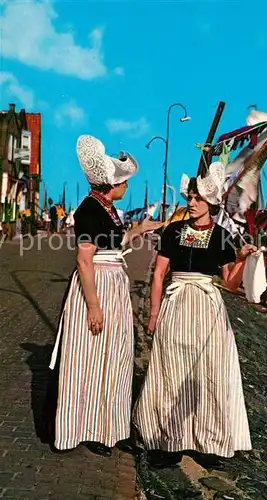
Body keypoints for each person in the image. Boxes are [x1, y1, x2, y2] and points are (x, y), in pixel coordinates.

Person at [133, 162, 256, 469]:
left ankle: (209, 442)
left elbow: (229, 283)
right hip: (176, 305)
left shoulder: (223, 236)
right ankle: (168, 442)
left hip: (207, 309)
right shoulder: (174, 231)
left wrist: (241, 260)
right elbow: (160, 274)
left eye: (197, 198)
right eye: (189, 196)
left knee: (209, 374)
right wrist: (152, 313)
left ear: (211, 203)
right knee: (170, 370)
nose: (190, 202)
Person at [47, 135, 162, 456]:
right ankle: (87, 428)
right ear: (114, 184)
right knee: (90, 358)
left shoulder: (107, 209)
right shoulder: (89, 210)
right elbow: (85, 259)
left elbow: (114, 243)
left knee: (116, 356)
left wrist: (139, 230)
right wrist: (93, 307)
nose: (127, 187)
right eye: (125, 183)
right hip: (97, 285)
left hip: (114, 283)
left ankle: (111, 426)